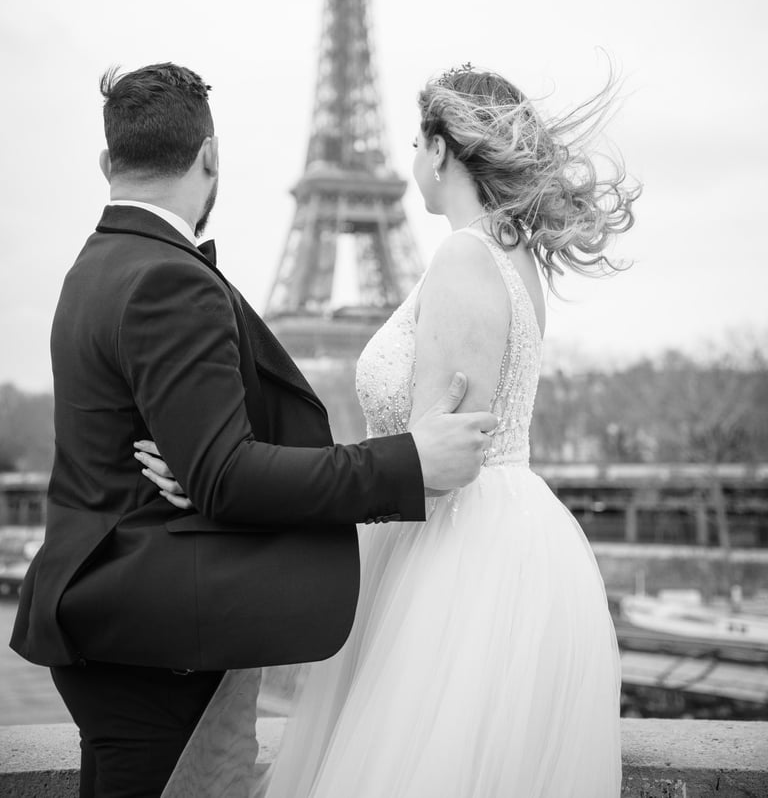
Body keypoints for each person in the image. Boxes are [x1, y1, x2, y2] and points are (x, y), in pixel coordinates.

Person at [146, 63, 640, 798]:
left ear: (439, 150)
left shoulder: (466, 254)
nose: (410, 157)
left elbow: (430, 464)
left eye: (415, 142)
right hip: (492, 543)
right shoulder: (511, 254)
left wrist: (238, 479)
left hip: (449, 553)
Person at [10, 62, 496, 798]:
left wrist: (203, 466)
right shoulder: (169, 278)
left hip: (106, 625)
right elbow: (227, 477)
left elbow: (206, 466)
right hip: (158, 647)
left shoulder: (93, 267)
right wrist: (408, 463)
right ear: (210, 154)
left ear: (108, 163)